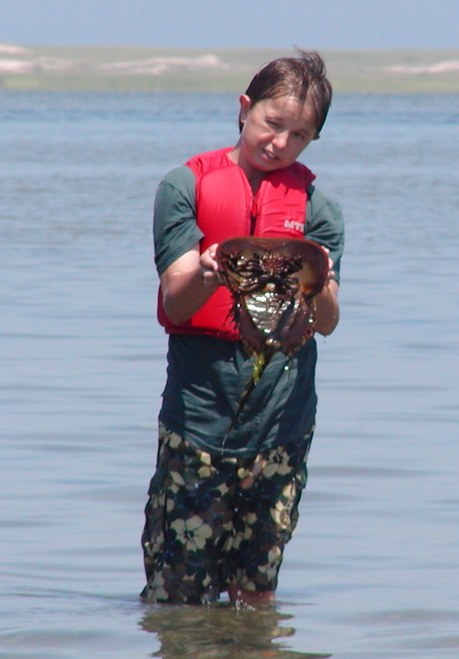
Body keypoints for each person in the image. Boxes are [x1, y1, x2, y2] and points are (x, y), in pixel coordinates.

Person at [141, 50, 344, 607]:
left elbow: (327, 322)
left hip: (282, 425)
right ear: (244, 107)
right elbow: (178, 304)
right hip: (199, 422)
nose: (280, 143)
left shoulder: (318, 210)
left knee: (257, 598)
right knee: (177, 597)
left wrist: (319, 278)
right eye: (272, 124)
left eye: (299, 135)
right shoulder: (183, 187)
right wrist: (208, 272)